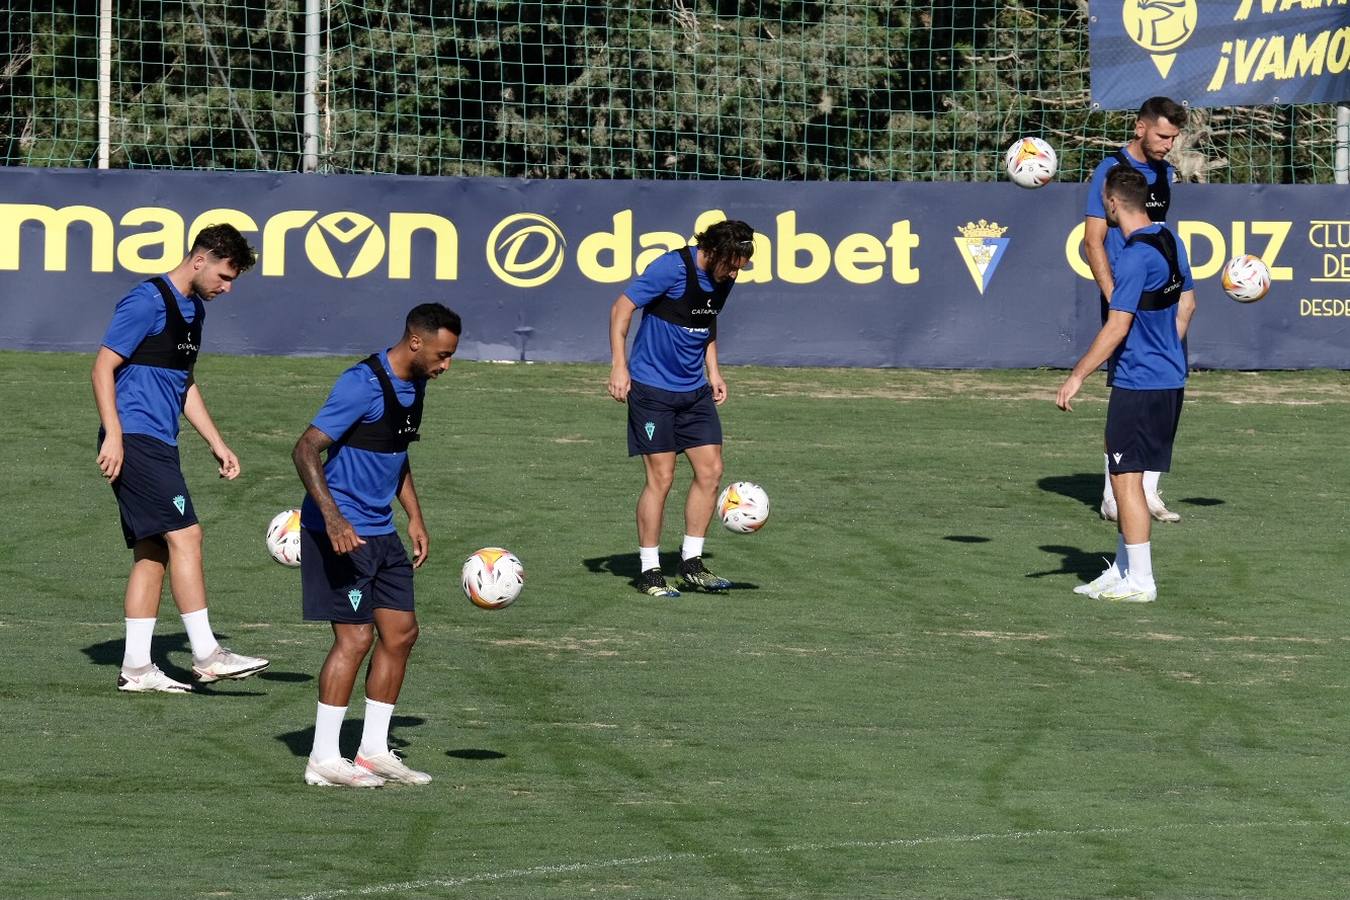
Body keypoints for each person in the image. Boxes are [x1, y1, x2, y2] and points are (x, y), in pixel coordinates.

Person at [93, 224, 270, 693]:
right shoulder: (146, 300)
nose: (227, 288)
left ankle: (136, 667)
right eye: (225, 276)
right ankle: (208, 654)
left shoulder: (194, 310)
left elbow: (183, 383)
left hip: (159, 442)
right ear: (201, 259)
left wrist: (216, 441)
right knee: (187, 534)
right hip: (134, 438)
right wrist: (114, 435)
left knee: (152, 554)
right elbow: (103, 366)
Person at [293, 303, 461, 788]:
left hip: (381, 530)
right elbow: (305, 449)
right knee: (356, 637)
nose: (445, 365)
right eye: (442, 355)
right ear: (416, 342)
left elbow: (395, 451)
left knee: (402, 633)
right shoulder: (360, 384)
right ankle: (323, 757)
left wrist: (415, 517)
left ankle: (371, 751)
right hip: (341, 532)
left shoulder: (418, 383)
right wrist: (334, 518)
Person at [1057, 167, 1196, 604]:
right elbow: (1187, 303)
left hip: (1141, 381)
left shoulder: (1134, 257)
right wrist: (1166, 348)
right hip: (1167, 377)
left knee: (1126, 480)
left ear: (1113, 203)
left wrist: (1077, 375)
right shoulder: (1170, 241)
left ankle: (1141, 580)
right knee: (1123, 475)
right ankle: (1122, 569)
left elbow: (1118, 326)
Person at [606, 219, 756, 598]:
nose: (737, 271)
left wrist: (715, 372)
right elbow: (621, 308)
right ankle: (649, 570)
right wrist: (619, 365)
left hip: (695, 392)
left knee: (712, 470)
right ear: (717, 251)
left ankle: (691, 564)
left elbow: (706, 322)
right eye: (734, 262)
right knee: (662, 477)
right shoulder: (671, 267)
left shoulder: (726, 276)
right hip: (653, 390)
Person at [1083, 95, 1189, 524]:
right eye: (1163, 135)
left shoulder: (1165, 174)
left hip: (1160, 297)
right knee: (1128, 388)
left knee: (1163, 385)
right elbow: (1092, 242)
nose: (1168, 144)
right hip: (1126, 295)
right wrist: (1115, 300)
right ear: (1140, 128)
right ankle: (1114, 493)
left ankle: (1149, 491)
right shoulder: (1109, 171)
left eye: (1174, 138)